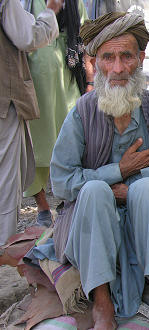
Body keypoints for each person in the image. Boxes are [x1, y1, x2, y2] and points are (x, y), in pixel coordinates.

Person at [50, 12, 149, 329]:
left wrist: (131, 186)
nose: (117, 69)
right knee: (93, 190)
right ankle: (101, 304)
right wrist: (116, 170)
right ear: (94, 62)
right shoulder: (82, 113)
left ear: (140, 58)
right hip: (93, 224)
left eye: (126, 56)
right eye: (108, 57)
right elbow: (62, 182)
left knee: (144, 189)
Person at [23, 0, 92, 226]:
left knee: (73, 139)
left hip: (70, 77)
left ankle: (68, 201)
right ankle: (42, 205)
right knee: (37, 144)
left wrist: (89, 82)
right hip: (36, 81)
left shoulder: (75, 3)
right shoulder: (27, 3)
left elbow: (85, 39)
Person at [0, 0, 61, 246]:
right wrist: (50, 12)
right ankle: (3, 245)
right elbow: (28, 37)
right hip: (4, 98)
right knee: (6, 178)